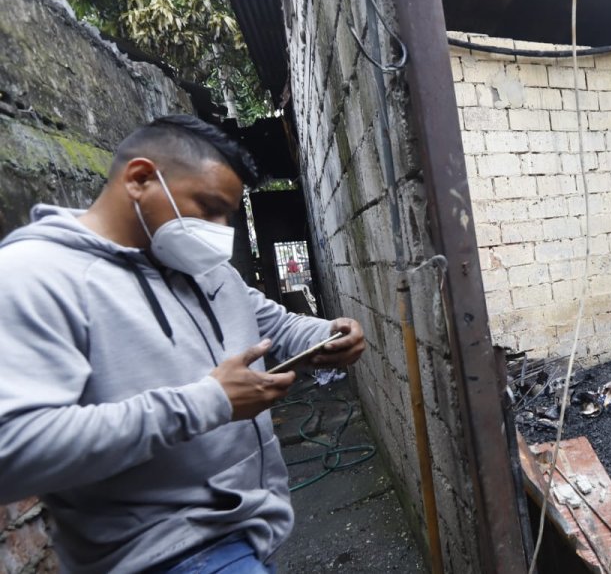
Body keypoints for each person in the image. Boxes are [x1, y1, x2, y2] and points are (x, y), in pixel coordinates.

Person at [0, 115, 366, 573]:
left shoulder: (208, 272)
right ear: (139, 179)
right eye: (208, 207)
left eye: (226, 215)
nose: (218, 229)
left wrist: (324, 336)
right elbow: (11, 449)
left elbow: (277, 324)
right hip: (164, 554)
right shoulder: (33, 275)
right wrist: (207, 402)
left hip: (247, 529)